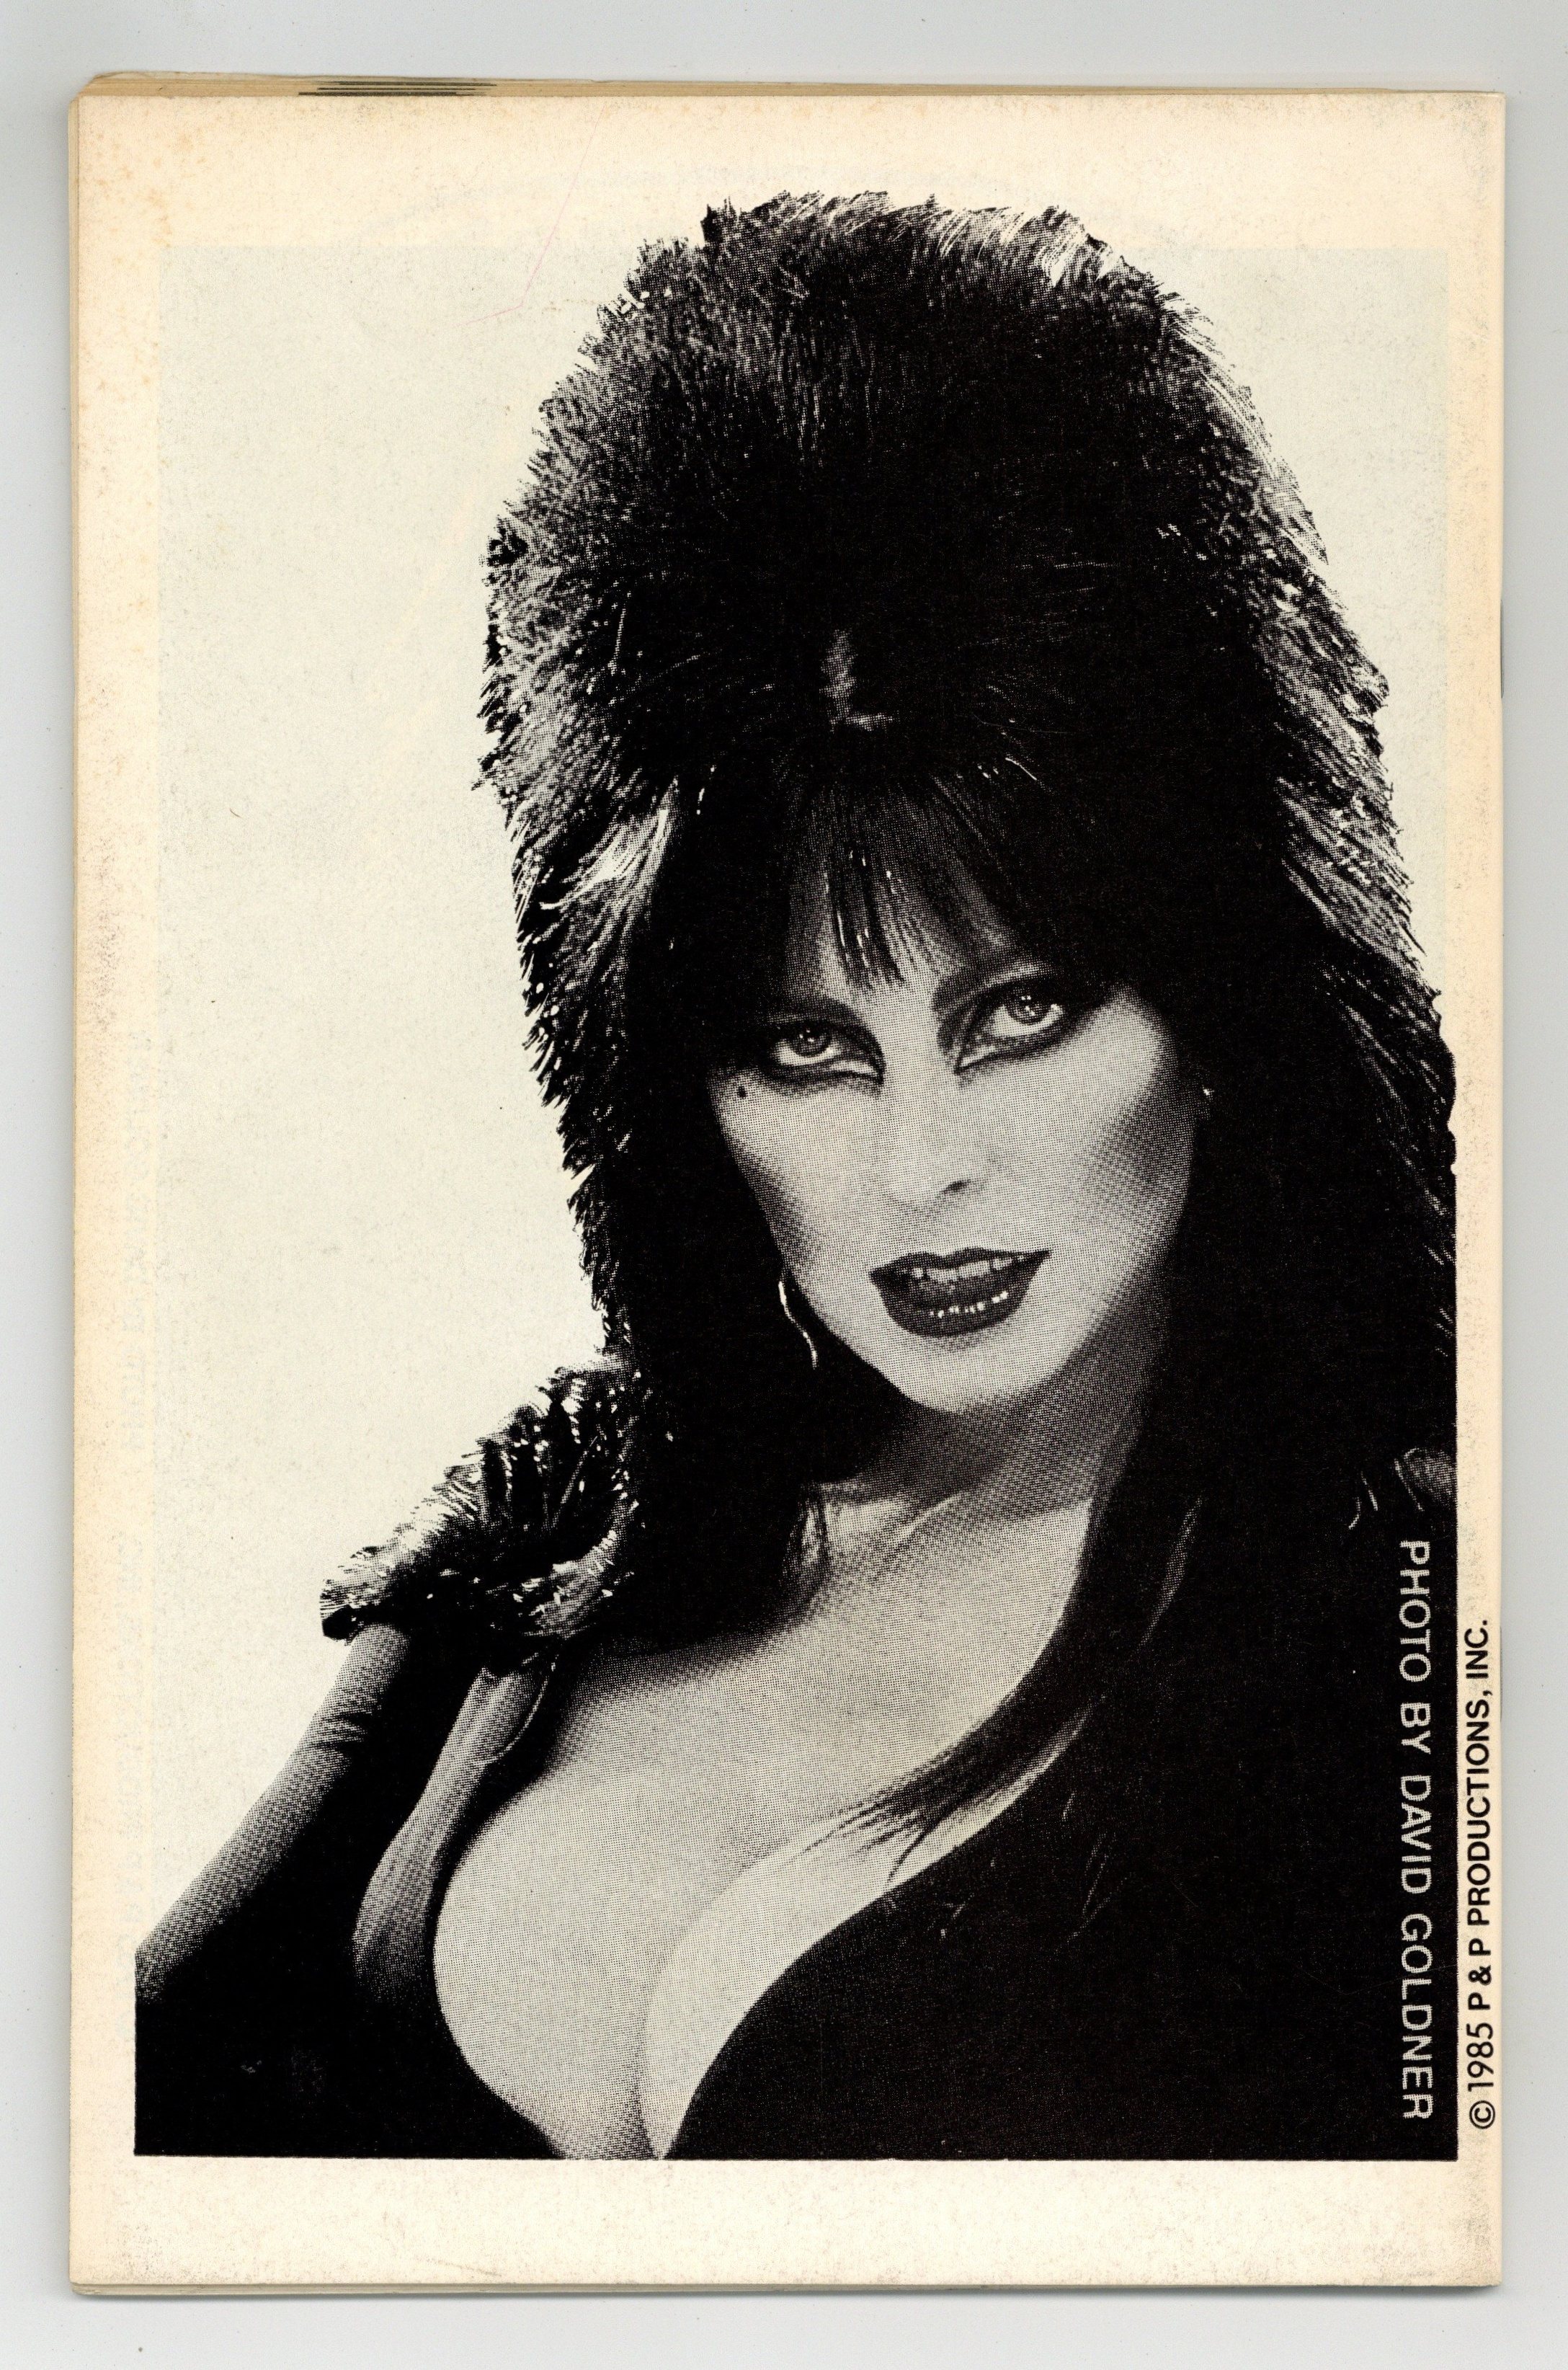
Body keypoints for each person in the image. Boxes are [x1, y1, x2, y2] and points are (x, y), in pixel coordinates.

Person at [136, 193, 1457, 2161]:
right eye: (806, 1050)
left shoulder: (1425, 1614)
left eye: (1021, 1014)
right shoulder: (578, 1508)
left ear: (1220, 996)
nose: (923, 1165)